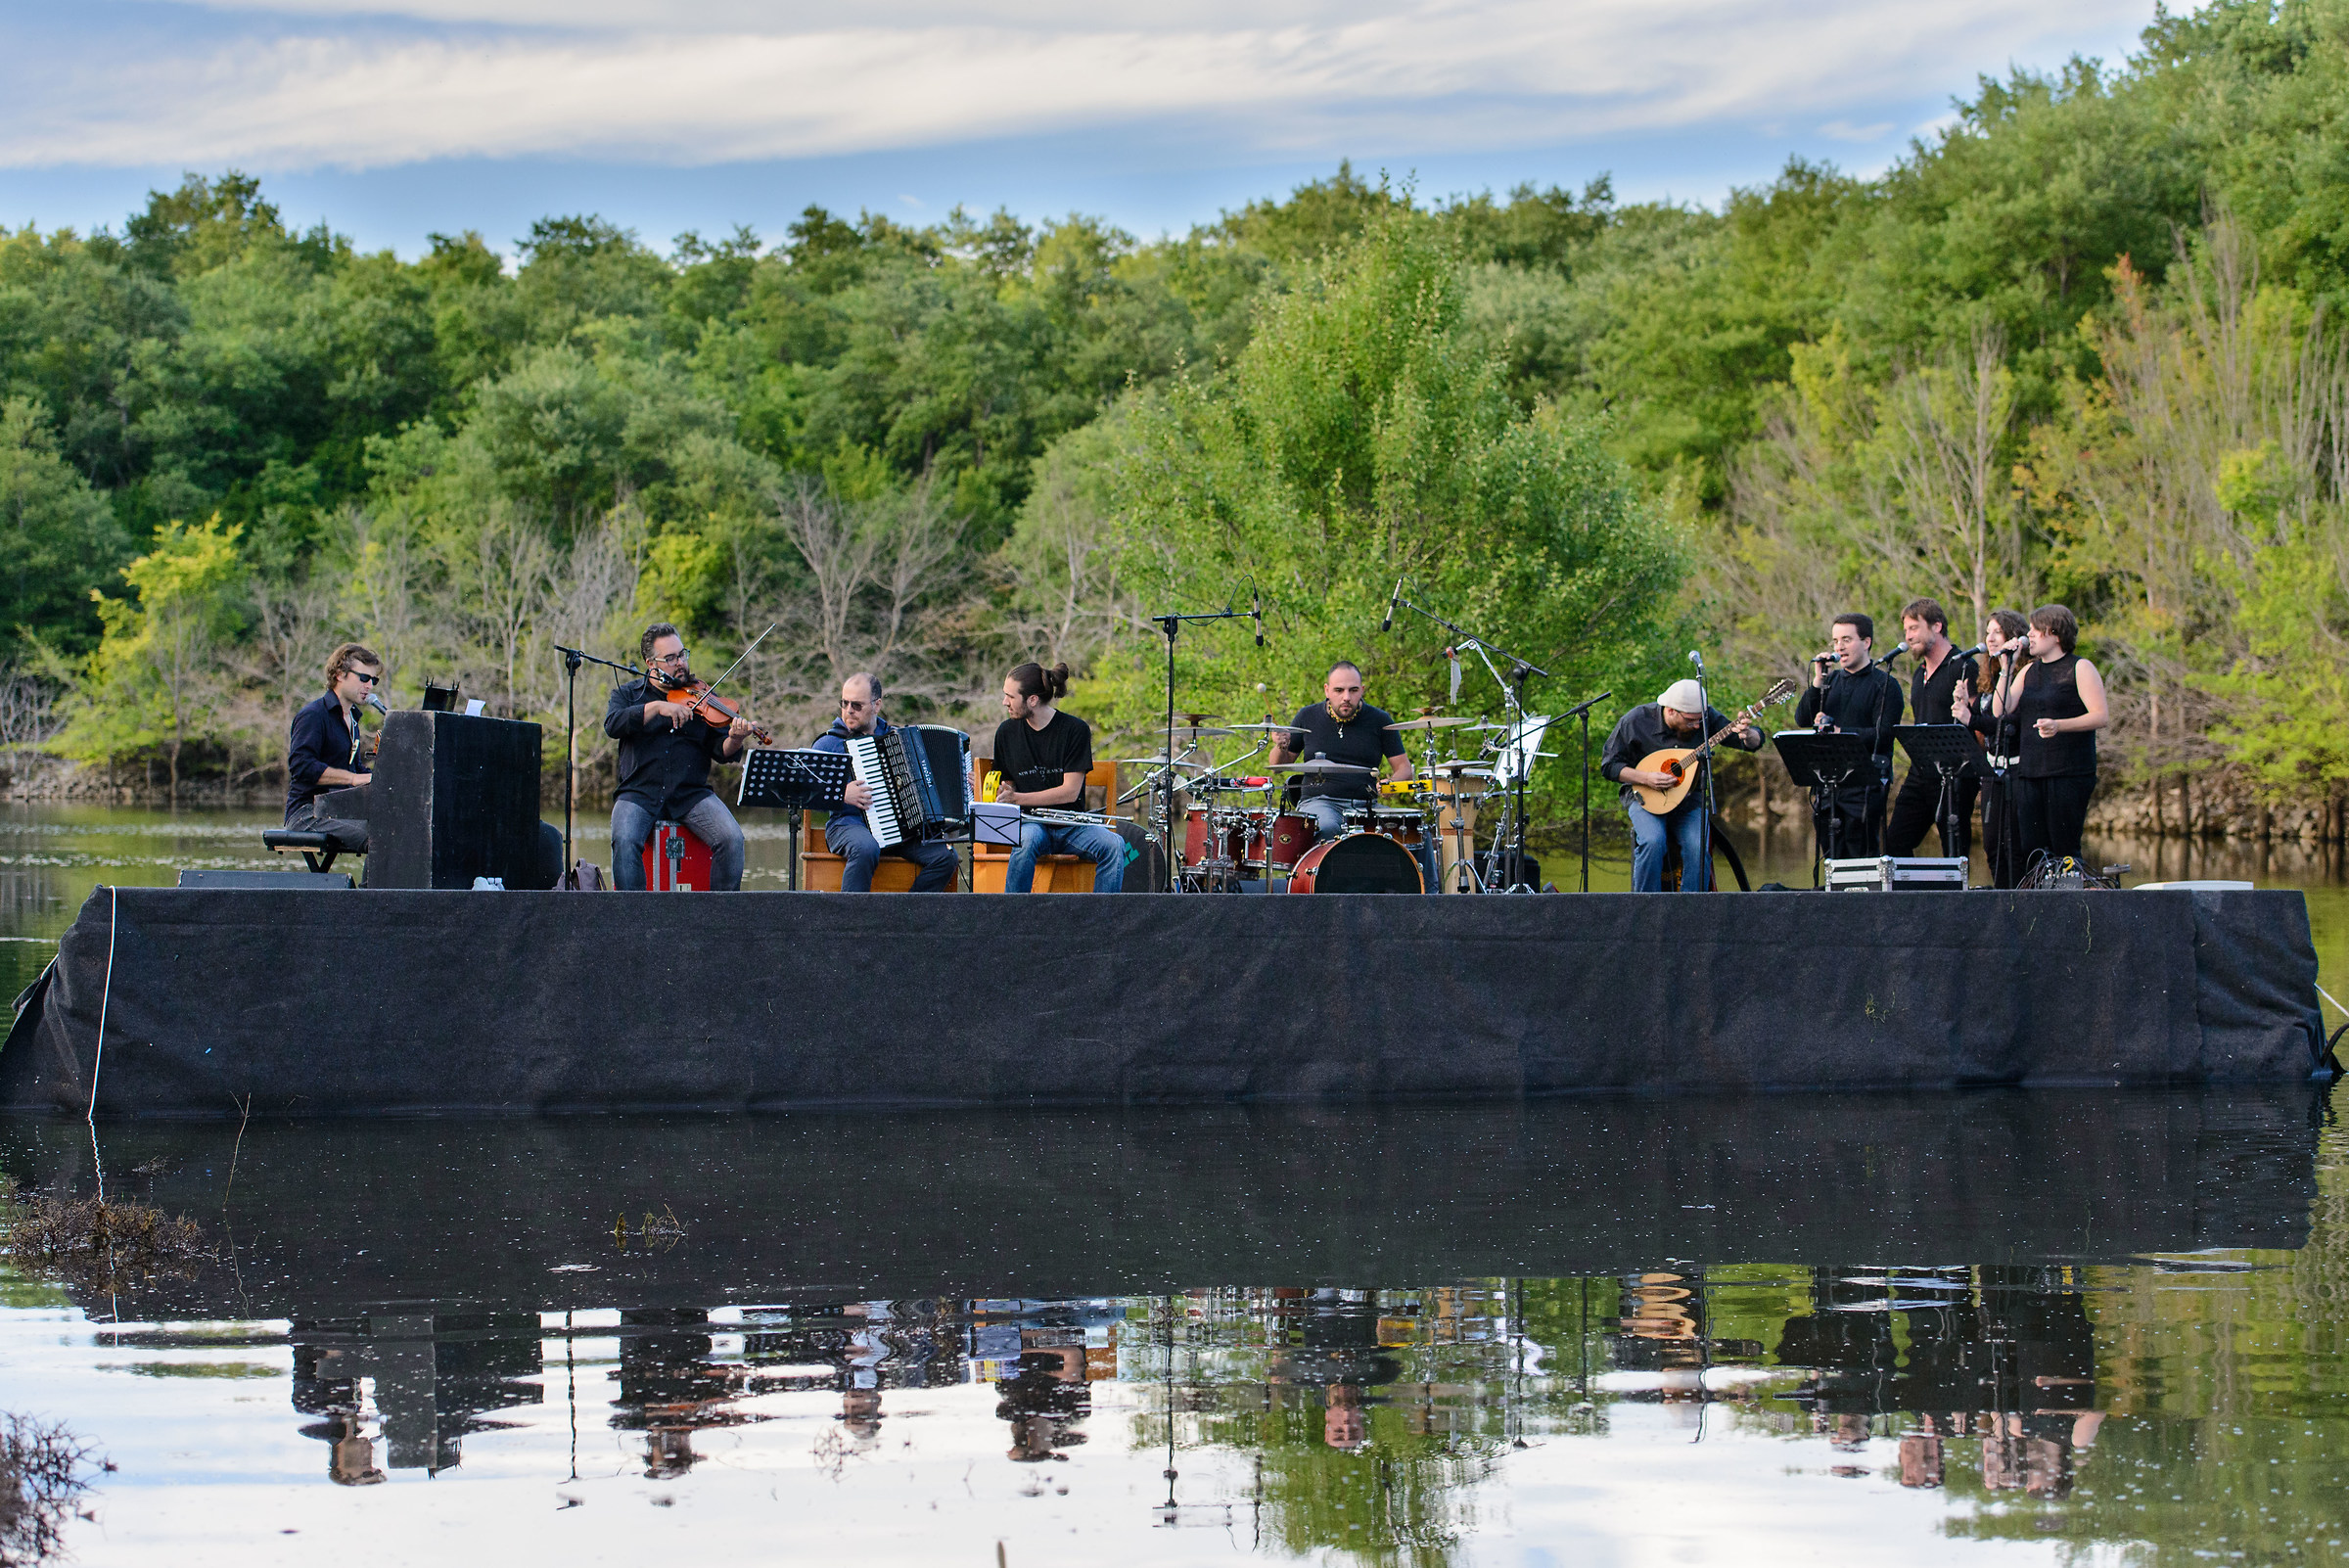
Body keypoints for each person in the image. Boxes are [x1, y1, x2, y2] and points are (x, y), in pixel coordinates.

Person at [604, 623, 751, 892]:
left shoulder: (702, 696)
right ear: (651, 663)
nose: (680, 663)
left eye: (682, 654)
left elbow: (721, 751)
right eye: (670, 659)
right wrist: (658, 707)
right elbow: (613, 724)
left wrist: (736, 738)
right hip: (639, 792)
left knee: (732, 839)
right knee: (624, 840)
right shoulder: (627, 695)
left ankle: (722, 919)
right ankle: (631, 920)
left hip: (691, 794)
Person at [1600, 677, 1763, 892]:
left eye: (1699, 720)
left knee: (1698, 846)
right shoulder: (1636, 721)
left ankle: (1691, 911)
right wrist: (1645, 777)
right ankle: (1644, 908)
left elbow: (1750, 742)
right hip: (1645, 797)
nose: (1697, 725)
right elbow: (1609, 766)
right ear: (1670, 711)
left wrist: (1748, 734)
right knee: (1653, 841)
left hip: (1689, 800)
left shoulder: (1705, 717)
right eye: (1690, 721)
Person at [811, 671, 959, 892]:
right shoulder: (828, 744)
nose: (849, 710)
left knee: (946, 857)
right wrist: (840, 793)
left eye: (857, 705)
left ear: (877, 705)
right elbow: (803, 790)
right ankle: (848, 922)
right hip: (848, 824)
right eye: (844, 703)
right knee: (866, 848)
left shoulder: (897, 738)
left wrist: (961, 784)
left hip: (899, 828)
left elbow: (924, 784)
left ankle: (905, 918)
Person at [1991, 603, 2108, 871]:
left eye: (2035, 630)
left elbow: (2100, 716)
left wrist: (2059, 725)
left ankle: (2070, 905)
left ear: (2055, 634)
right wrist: (2006, 668)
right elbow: (2001, 709)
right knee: (2033, 850)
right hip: (2031, 772)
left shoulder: (2080, 668)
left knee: (2064, 849)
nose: (2028, 635)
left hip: (2068, 772)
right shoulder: (2029, 671)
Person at [992, 661, 1126, 893]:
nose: (1005, 702)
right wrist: (994, 791)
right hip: (1031, 824)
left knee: (1115, 845)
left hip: (1071, 825)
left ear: (1032, 700)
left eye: (1010, 697)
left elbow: (1069, 791)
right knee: (1026, 841)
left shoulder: (1075, 730)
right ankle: (1012, 918)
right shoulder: (1006, 732)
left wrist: (1018, 798)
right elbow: (1007, 788)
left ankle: (1102, 923)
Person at [1793, 612, 1904, 859]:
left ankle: (1863, 898)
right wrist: (1817, 682)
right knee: (1831, 851)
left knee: (1859, 848)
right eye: (1835, 641)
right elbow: (1801, 719)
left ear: (1866, 642)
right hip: (1829, 781)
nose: (1839, 647)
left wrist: (1841, 733)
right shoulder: (1829, 682)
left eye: (1846, 639)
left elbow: (1884, 734)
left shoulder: (1884, 684)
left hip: (1865, 782)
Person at [1270, 662, 1414, 842]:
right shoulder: (1306, 717)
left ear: (1362, 690)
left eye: (1353, 690)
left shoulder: (1380, 720)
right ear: (1327, 690)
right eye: (1339, 690)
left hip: (1366, 806)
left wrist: (1391, 784)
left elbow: (1404, 768)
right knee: (1328, 828)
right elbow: (1276, 767)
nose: (1346, 697)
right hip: (1320, 802)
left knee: (1408, 830)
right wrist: (1280, 746)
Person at [1883, 598, 1980, 858]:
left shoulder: (1963, 666)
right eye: (1906, 630)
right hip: (1921, 770)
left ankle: (1957, 898)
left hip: (1956, 771)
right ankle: (1914, 897)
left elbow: (1979, 723)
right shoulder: (1919, 673)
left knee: (1954, 847)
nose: (1908, 636)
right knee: (1894, 842)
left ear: (1937, 626)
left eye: (1914, 628)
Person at [284, 641, 382, 857]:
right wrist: (353, 779)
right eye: (363, 678)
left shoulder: (353, 720)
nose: (370, 686)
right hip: (306, 813)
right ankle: (371, 892)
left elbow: (356, 769)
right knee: (380, 837)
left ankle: (379, 891)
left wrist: (384, 779)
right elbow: (302, 767)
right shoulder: (313, 715)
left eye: (373, 680)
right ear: (340, 674)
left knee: (396, 828)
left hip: (337, 810)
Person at [1955, 609, 2030, 887]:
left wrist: (1971, 717)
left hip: (2017, 770)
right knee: (1992, 845)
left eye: (1997, 631)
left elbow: (2009, 723)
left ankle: (2019, 902)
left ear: (2013, 636)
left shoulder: (2023, 674)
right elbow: (1982, 727)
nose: (1990, 638)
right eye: (1987, 632)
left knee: (2014, 844)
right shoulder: (1989, 677)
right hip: (1991, 769)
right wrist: (1964, 708)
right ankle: (2000, 898)